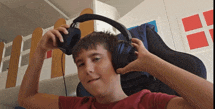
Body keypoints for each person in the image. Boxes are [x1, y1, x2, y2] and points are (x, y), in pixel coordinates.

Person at [18, 24, 213, 109]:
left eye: (96, 59)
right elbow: (27, 99)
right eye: (80, 63)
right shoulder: (78, 105)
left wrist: (153, 64)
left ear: (118, 62)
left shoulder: (149, 102)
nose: (87, 69)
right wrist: (40, 51)